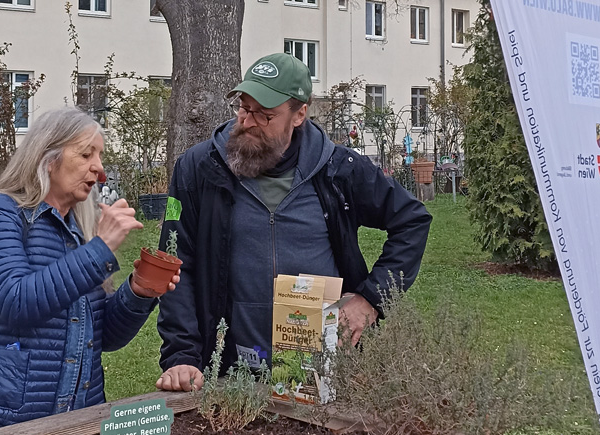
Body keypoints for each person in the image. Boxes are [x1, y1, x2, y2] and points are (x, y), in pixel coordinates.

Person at [155, 53, 432, 392]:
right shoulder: (199, 169)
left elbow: (412, 221)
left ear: (299, 114)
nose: (248, 121)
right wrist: (182, 354)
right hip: (229, 373)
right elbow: (174, 264)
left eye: (264, 114)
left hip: (323, 371)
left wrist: (371, 299)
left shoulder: (338, 169)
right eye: (243, 107)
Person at [0, 106, 178, 431]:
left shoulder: (77, 233)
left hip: (73, 426)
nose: (99, 168)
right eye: (86, 154)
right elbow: (14, 302)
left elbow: (102, 337)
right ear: (48, 158)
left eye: (99, 156)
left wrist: (139, 291)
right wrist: (100, 248)